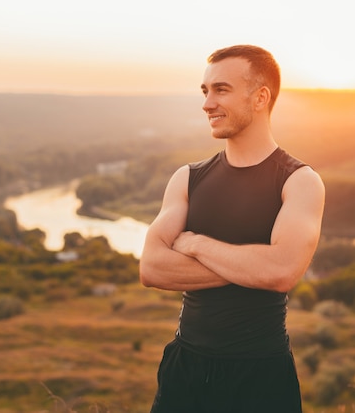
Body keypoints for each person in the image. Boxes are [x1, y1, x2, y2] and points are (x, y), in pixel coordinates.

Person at [139, 44, 325, 413]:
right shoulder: (187, 179)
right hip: (185, 368)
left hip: (261, 377)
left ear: (260, 98)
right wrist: (249, 264)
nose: (207, 104)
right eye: (205, 91)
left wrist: (195, 244)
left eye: (221, 90)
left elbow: (281, 271)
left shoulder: (299, 181)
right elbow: (151, 267)